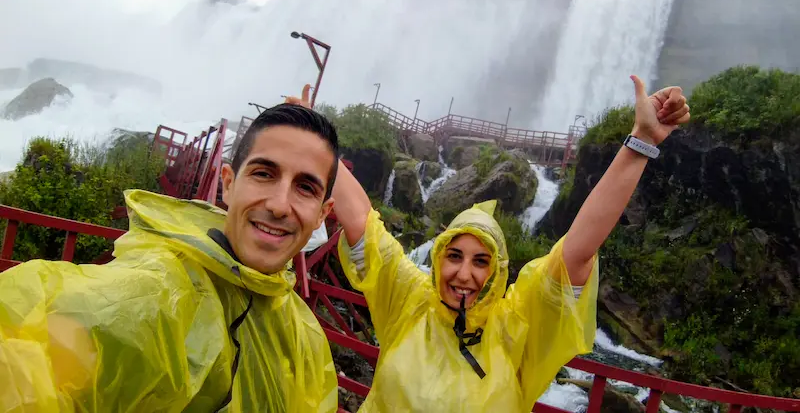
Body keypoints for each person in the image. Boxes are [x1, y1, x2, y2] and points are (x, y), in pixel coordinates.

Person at [310, 75, 690, 412]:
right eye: (454, 256)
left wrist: (640, 143)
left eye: (481, 261)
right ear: (438, 257)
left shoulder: (516, 325)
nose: (463, 273)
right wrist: (314, 139)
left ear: (497, 272)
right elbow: (361, 219)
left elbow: (577, 251)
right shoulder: (409, 299)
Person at [0, 101, 340, 412]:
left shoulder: (302, 334)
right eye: (264, 174)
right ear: (227, 183)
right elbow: (31, 360)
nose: (279, 205)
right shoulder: (158, 291)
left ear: (322, 214)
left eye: (305, 187)